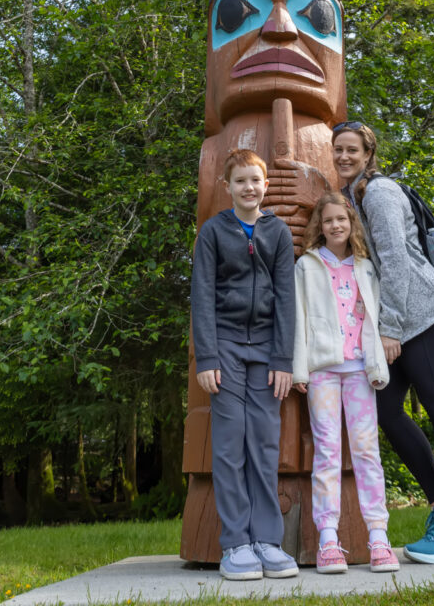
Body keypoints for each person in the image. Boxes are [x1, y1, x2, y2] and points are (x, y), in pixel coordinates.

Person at [331, 122, 434, 565]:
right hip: (393, 317)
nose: (343, 156)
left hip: (415, 312)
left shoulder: (378, 193)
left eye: (351, 150)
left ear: (368, 152)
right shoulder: (355, 193)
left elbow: (395, 262)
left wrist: (391, 327)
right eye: (337, 149)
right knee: (386, 410)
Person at [191, 148, 299, 581]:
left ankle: (267, 541)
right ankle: (236, 544)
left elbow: (287, 298)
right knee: (229, 445)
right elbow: (201, 295)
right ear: (227, 187)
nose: (249, 188)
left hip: (268, 354)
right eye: (240, 181)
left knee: (265, 443)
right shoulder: (213, 232)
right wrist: (208, 356)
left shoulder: (278, 233)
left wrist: (284, 357)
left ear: (266, 184)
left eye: (256, 180)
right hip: (227, 350)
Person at [293, 192, 400, 574]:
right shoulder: (306, 266)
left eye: (342, 219)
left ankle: (378, 538)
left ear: (351, 223)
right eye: (328, 221)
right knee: (327, 451)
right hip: (323, 371)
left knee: (367, 450)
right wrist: (299, 369)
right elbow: (299, 319)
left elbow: (375, 318)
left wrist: (377, 361)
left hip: (359, 370)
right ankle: (328, 540)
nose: (335, 225)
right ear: (318, 228)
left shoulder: (365, 268)